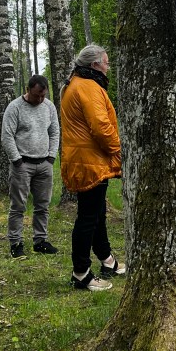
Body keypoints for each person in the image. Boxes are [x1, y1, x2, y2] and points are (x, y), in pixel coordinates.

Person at [60, 44, 124, 291]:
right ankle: (81, 273)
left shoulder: (78, 83)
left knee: (97, 214)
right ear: (95, 64)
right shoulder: (87, 86)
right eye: (106, 62)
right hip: (89, 162)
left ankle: (107, 261)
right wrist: (118, 150)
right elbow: (101, 127)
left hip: (87, 161)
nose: (108, 67)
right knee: (88, 217)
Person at [1, 74, 60, 258]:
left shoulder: (49, 106)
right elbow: (7, 136)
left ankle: (40, 241)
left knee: (43, 205)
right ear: (28, 90)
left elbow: (55, 132)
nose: (40, 99)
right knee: (18, 206)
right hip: (22, 165)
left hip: (44, 164)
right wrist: (17, 160)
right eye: (36, 95)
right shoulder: (15, 107)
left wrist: (51, 156)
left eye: (43, 95)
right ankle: (16, 243)